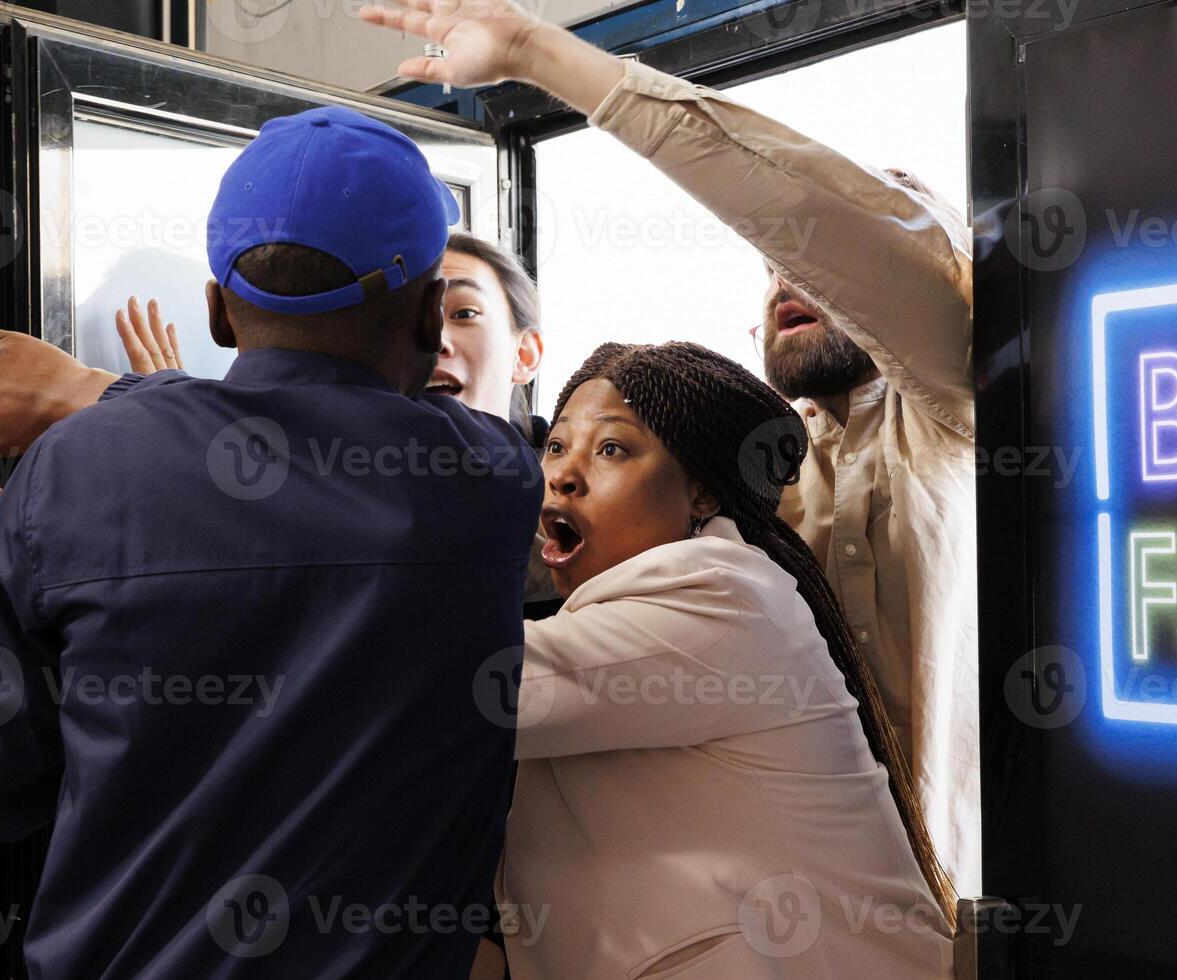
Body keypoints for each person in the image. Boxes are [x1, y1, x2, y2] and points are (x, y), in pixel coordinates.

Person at [360, 0, 981, 895]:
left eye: (817, 258)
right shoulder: (742, 487)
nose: (784, 278)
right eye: (769, 266)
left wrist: (543, 54)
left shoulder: (958, 420)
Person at [0, 105, 542, 977]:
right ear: (427, 318)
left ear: (218, 312)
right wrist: (111, 396)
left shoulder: (69, 478)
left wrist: (9, 574)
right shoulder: (492, 479)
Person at [500, 340, 952, 978]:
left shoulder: (718, 593)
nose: (564, 474)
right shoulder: (640, 603)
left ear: (702, 493)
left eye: (611, 449)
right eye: (556, 445)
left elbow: (468, 685)